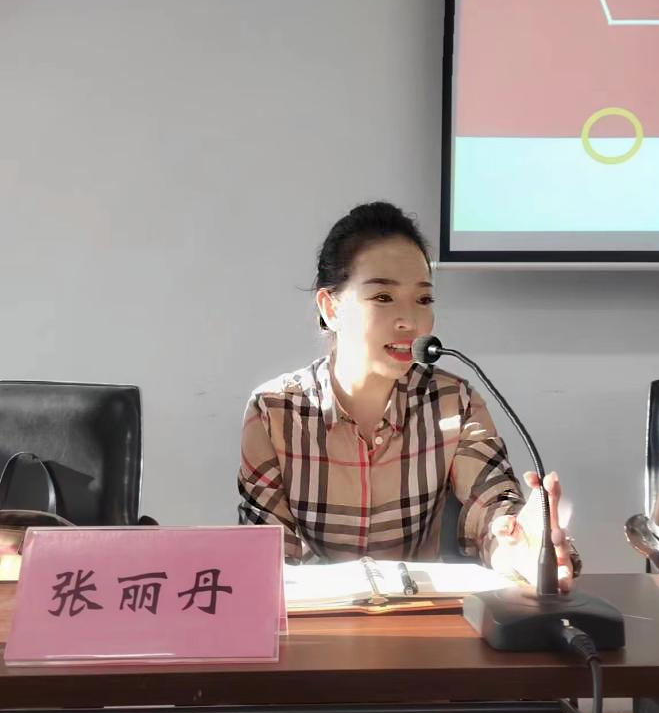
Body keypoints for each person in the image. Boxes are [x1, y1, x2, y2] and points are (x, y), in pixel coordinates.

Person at [238, 201, 578, 588]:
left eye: (423, 300)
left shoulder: (453, 401)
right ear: (330, 308)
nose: (411, 321)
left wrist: (520, 546)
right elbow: (267, 557)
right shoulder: (274, 411)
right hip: (313, 617)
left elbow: (491, 508)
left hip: (417, 611)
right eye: (383, 297)